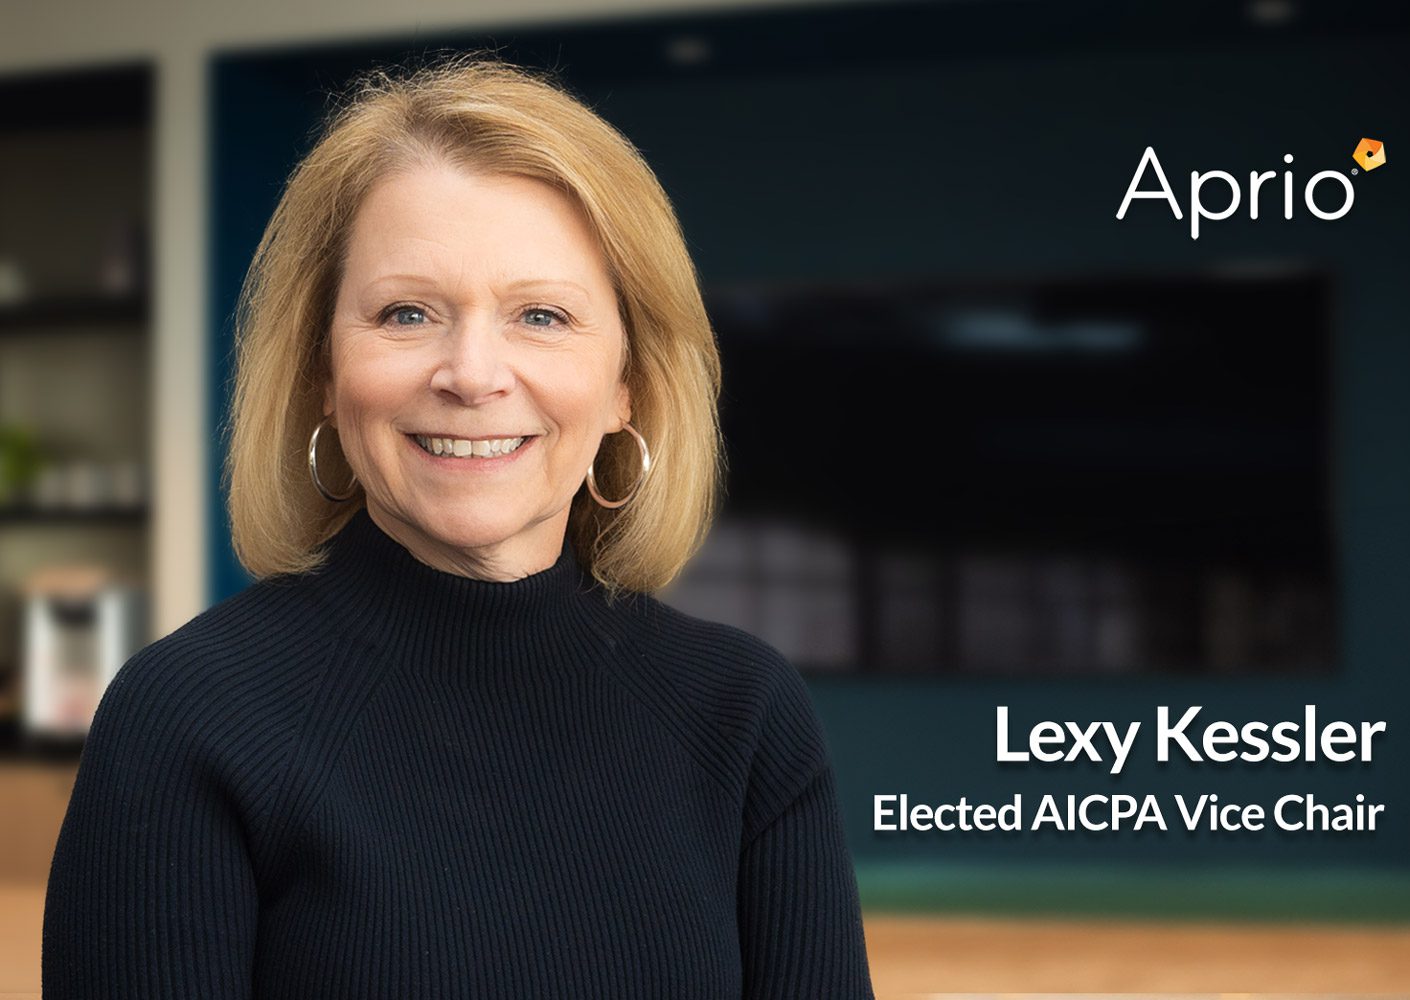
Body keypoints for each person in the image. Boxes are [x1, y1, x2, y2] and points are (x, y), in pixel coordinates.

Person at [42, 53, 875, 999]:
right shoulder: (185, 718)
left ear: (627, 388)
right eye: (407, 313)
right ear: (323, 368)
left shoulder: (746, 717)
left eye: (541, 316)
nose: (472, 373)